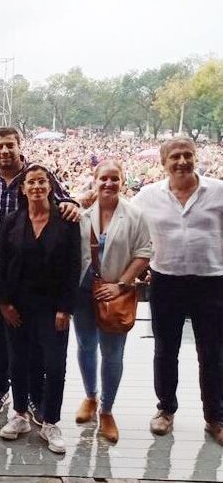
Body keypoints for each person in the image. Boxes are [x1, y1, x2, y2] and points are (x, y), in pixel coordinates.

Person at [0, 127, 80, 418]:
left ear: (20, 146)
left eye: (10, 145)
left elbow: (67, 202)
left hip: (34, 278)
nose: (5, 151)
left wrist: (73, 205)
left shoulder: (36, 174)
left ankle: (34, 397)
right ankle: (0, 389)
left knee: (33, 343)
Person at [132, 137, 223, 445]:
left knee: (212, 353)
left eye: (187, 155)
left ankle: (215, 417)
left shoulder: (219, 191)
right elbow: (127, 225)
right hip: (165, 281)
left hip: (211, 282)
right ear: (164, 163)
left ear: (196, 157)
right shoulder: (147, 196)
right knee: (165, 351)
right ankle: (165, 410)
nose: (182, 161)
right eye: (175, 157)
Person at [0, 163, 80, 454]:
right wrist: (4, 302)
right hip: (18, 304)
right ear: (22, 188)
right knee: (18, 361)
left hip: (52, 306)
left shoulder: (67, 221)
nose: (36, 187)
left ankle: (51, 421)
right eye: (30, 182)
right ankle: (19, 414)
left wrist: (65, 308)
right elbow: (2, 264)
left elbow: (73, 267)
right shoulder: (12, 221)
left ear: (51, 186)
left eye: (42, 182)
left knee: (55, 365)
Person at [73, 160, 152, 443]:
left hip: (116, 291)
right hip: (84, 290)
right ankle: (90, 396)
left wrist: (121, 285)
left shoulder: (134, 214)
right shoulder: (83, 213)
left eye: (114, 178)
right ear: (94, 181)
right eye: (103, 178)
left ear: (123, 181)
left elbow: (143, 252)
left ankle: (107, 409)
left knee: (112, 352)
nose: (108, 184)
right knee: (85, 345)